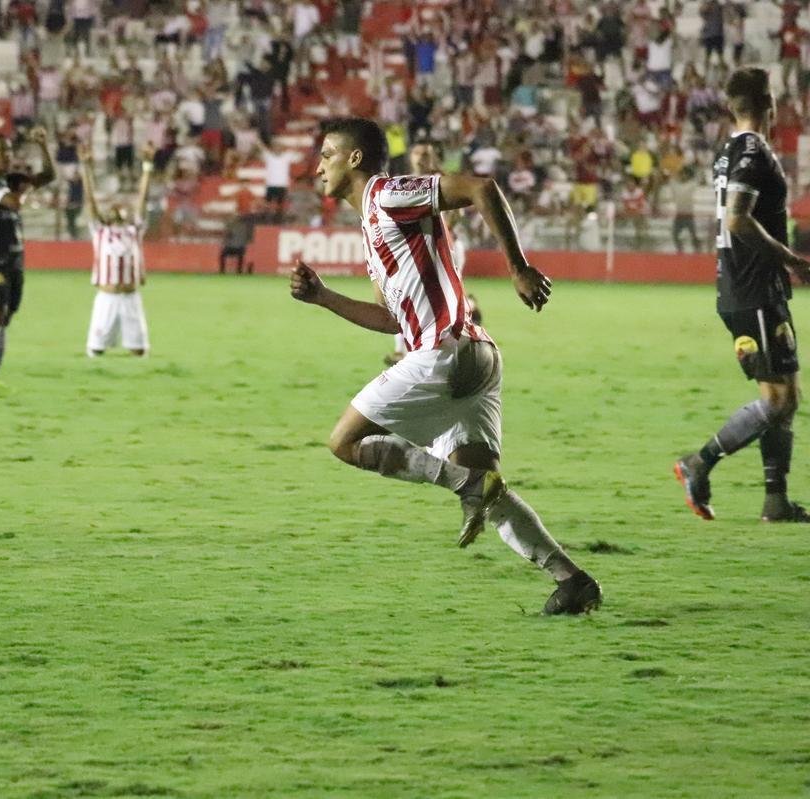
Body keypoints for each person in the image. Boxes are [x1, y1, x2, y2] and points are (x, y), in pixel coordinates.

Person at [289, 117, 601, 615]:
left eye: (326, 152)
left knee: (344, 443)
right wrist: (324, 297)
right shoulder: (374, 226)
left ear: (354, 159)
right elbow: (391, 317)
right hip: (476, 359)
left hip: (444, 353)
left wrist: (517, 267)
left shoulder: (385, 195)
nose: (318, 164)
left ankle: (467, 485)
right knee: (488, 492)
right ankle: (572, 580)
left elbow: (481, 186)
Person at [675, 68, 810, 523]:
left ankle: (776, 499)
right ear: (771, 102)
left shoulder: (729, 152)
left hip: (754, 286)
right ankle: (699, 462)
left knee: (786, 389)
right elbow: (737, 219)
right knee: (779, 400)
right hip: (751, 286)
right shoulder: (752, 149)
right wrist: (790, 258)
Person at [0, 129, 55, 394]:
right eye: (1, 152)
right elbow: (12, 203)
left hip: (14, 258)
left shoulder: (9, 180)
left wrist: (42, 146)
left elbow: (48, 176)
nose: (8, 156)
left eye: (9, 151)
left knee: (5, 317)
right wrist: (24, 190)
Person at [384, 141, 479, 366]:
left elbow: (458, 215)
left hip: (446, 247)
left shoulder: (442, 182)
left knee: (442, 296)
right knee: (404, 296)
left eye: (426, 154)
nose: (421, 157)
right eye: (417, 152)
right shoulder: (401, 184)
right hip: (416, 247)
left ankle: (454, 337)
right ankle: (405, 350)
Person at [78, 142, 154, 357]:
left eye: (121, 206)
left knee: (139, 350)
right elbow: (89, 201)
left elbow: (142, 198)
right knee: (96, 349)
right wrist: (86, 168)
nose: (118, 208)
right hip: (107, 297)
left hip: (130, 296)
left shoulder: (134, 230)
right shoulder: (100, 231)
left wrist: (147, 165)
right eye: (113, 206)